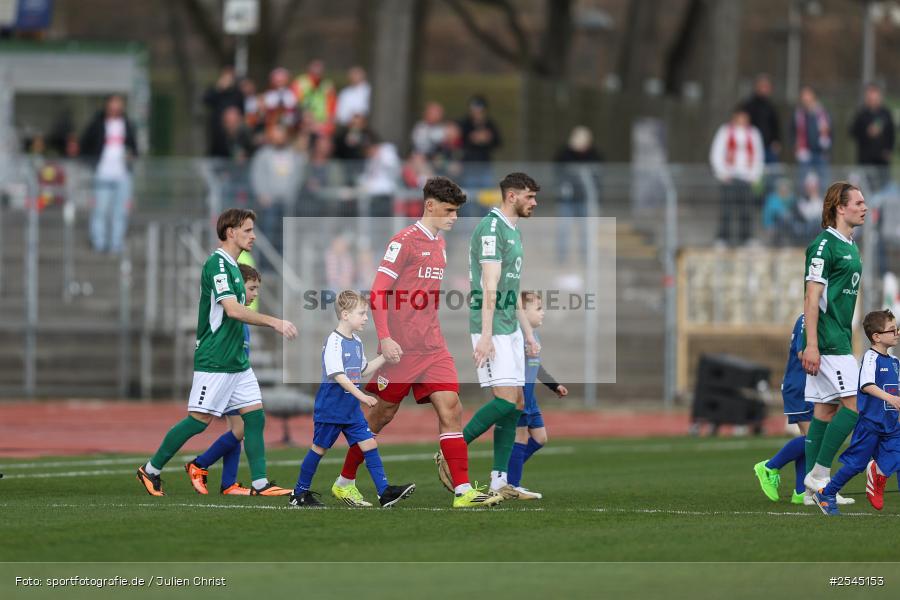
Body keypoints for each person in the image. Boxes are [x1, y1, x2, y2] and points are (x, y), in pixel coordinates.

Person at [332, 176, 502, 508]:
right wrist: (385, 337)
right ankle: (344, 481)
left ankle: (463, 491)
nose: (454, 217)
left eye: (457, 212)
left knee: (451, 407)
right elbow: (378, 292)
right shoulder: (404, 242)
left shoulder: (439, 245)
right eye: (449, 211)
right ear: (430, 206)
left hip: (432, 346)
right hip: (400, 351)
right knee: (380, 415)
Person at [136, 208, 298, 497]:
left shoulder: (235, 268)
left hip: (236, 360)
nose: (253, 236)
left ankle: (260, 483)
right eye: (247, 230)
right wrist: (275, 322)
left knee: (255, 416)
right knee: (198, 421)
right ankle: (151, 469)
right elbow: (233, 311)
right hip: (216, 359)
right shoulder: (218, 265)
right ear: (231, 232)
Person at [456, 172, 541, 499]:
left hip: (509, 325)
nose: (534, 203)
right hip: (490, 324)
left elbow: (512, 287)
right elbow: (489, 285)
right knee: (506, 400)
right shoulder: (491, 229)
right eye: (530, 197)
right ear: (512, 196)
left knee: (517, 402)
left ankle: (499, 480)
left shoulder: (513, 231)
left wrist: (528, 331)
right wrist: (487, 335)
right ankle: (452, 448)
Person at [289, 291, 416, 508]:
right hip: (331, 408)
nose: (366, 318)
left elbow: (363, 370)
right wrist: (362, 396)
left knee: (369, 444)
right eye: (362, 313)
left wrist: (385, 357)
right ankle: (299, 494)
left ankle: (384, 492)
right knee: (319, 449)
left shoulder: (356, 341)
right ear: (345, 315)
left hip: (351, 410)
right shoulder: (334, 342)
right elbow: (338, 376)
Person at [801, 182, 867, 497]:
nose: (864, 207)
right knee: (855, 407)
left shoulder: (851, 245)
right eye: (858, 202)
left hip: (839, 336)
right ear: (840, 208)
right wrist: (811, 344)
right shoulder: (824, 245)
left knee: (825, 410)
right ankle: (820, 474)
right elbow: (812, 297)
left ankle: (813, 490)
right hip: (827, 340)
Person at [752, 315, 854, 506]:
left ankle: (801, 491)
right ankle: (769, 466)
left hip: (812, 386)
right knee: (816, 438)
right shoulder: (809, 318)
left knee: (811, 442)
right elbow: (803, 353)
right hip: (801, 386)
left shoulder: (825, 318)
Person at [184, 264, 262, 496]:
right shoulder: (232, 315)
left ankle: (228, 483)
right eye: (252, 288)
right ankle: (200, 464)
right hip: (224, 376)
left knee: (238, 429)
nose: (255, 294)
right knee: (238, 429)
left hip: (236, 378)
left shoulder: (243, 317)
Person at [813, 309, 900, 515]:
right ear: (876, 336)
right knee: (855, 465)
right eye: (892, 330)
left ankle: (877, 472)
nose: (897, 333)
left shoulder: (895, 362)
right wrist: (891, 398)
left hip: (892, 424)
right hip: (871, 423)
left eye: (897, 329)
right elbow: (867, 384)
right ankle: (826, 493)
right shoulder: (871, 357)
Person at [505, 291, 568, 498]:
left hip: (532, 400)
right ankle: (512, 484)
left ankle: (504, 474)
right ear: (522, 312)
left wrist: (554, 385)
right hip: (520, 397)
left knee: (540, 439)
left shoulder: (534, 336)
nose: (543, 313)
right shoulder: (518, 336)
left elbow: (536, 366)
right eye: (538, 308)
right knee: (521, 438)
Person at [79, 94, 138, 254]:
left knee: (120, 212)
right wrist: (91, 162)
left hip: (122, 174)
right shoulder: (98, 123)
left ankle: (116, 244)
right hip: (102, 174)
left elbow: (134, 147)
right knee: (100, 210)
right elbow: (84, 143)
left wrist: (131, 156)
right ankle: (99, 243)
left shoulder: (127, 124)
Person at [709, 106, 764, 246]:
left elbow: (759, 155)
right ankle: (723, 237)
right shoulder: (725, 131)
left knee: (746, 209)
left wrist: (755, 175)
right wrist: (721, 173)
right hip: (729, 176)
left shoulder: (754, 133)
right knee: (727, 209)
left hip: (747, 177)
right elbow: (717, 152)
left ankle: (746, 237)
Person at [554, 125, 603, 263]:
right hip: (567, 200)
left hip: (585, 199)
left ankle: (586, 258)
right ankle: (561, 258)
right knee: (564, 229)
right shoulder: (564, 154)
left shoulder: (594, 155)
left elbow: (598, 178)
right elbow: (557, 174)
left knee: (586, 231)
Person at [850, 83, 895, 193]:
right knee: (866, 189)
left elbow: (892, 134)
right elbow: (852, 132)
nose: (872, 100)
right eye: (870, 98)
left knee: (883, 190)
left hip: (882, 161)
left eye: (875, 97)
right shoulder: (861, 114)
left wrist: (889, 150)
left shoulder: (886, 113)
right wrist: (866, 132)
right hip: (865, 160)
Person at [792, 86, 831, 190]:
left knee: (823, 182)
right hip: (804, 153)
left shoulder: (822, 114)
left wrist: (827, 150)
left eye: (808, 97)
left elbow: (830, 132)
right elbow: (793, 132)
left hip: (820, 153)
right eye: (804, 98)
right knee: (802, 183)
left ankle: (825, 204)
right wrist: (796, 148)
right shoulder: (798, 114)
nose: (806, 100)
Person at [742, 73, 782, 165]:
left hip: (768, 147)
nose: (764, 89)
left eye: (766, 87)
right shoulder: (748, 106)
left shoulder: (772, 107)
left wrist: (777, 141)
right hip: (752, 146)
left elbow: (776, 126)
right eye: (762, 86)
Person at [293, 59, 336, 137]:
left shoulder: (328, 85)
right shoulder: (300, 83)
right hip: (303, 123)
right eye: (315, 69)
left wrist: (326, 123)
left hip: (322, 124)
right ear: (309, 69)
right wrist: (308, 120)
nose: (317, 72)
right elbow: (296, 104)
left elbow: (332, 108)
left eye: (320, 70)